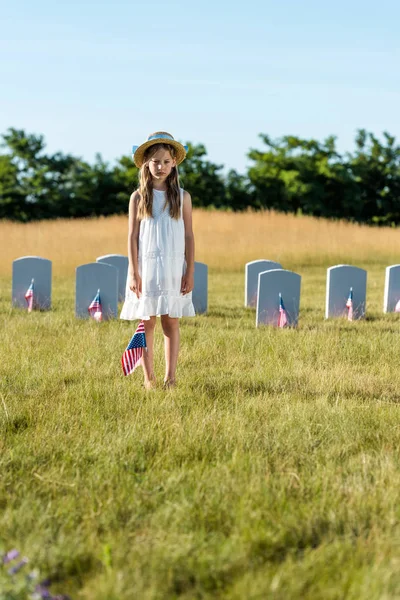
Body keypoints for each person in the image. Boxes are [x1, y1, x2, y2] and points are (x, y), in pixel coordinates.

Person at [120, 132, 195, 389]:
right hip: (146, 268)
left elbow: (189, 235)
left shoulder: (182, 197)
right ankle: (149, 379)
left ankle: (170, 378)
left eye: (165, 161)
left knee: (170, 320)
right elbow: (132, 236)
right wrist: (133, 271)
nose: (160, 167)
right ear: (146, 164)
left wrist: (190, 271)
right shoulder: (138, 197)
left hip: (174, 268)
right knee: (147, 321)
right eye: (155, 162)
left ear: (173, 162)